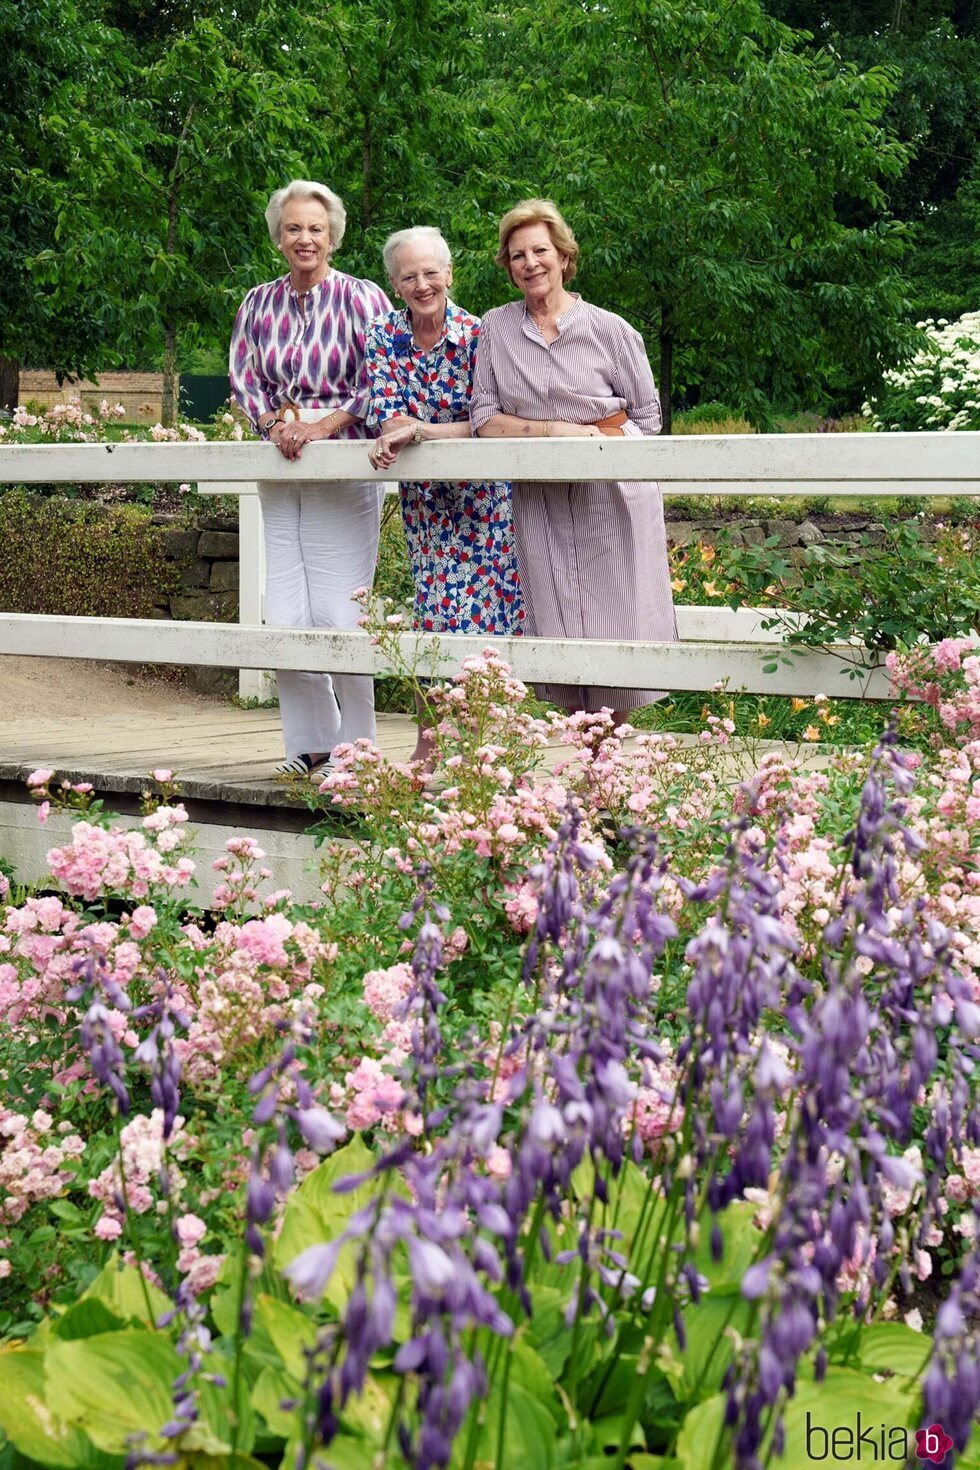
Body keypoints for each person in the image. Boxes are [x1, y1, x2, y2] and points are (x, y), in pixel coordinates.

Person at [470, 198, 676, 725]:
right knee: (557, 620)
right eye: (517, 255)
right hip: (539, 495)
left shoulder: (610, 329)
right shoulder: (495, 329)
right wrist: (555, 431)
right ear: (508, 266)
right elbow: (483, 418)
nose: (530, 263)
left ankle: (601, 765)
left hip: (609, 494)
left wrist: (597, 448)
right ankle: (585, 763)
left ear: (564, 256)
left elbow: (649, 418)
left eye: (540, 250)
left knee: (614, 625)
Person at [229, 179, 391, 777]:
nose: (305, 238)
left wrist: (323, 426)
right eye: (293, 228)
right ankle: (310, 745)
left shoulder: (363, 298)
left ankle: (359, 750)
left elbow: (382, 378)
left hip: (343, 459)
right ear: (279, 236)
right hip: (281, 458)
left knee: (340, 610)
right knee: (287, 610)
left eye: (315, 229)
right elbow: (244, 378)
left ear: (332, 236)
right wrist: (274, 423)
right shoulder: (258, 302)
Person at [365, 226, 524, 766]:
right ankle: (429, 744)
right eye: (409, 276)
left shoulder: (482, 335)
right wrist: (407, 429)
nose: (422, 283)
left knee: (490, 619)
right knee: (434, 619)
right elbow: (390, 417)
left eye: (431, 272)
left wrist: (425, 429)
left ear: (450, 275)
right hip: (428, 505)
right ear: (394, 283)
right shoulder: (383, 334)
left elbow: (488, 421)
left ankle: (489, 748)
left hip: (485, 504)